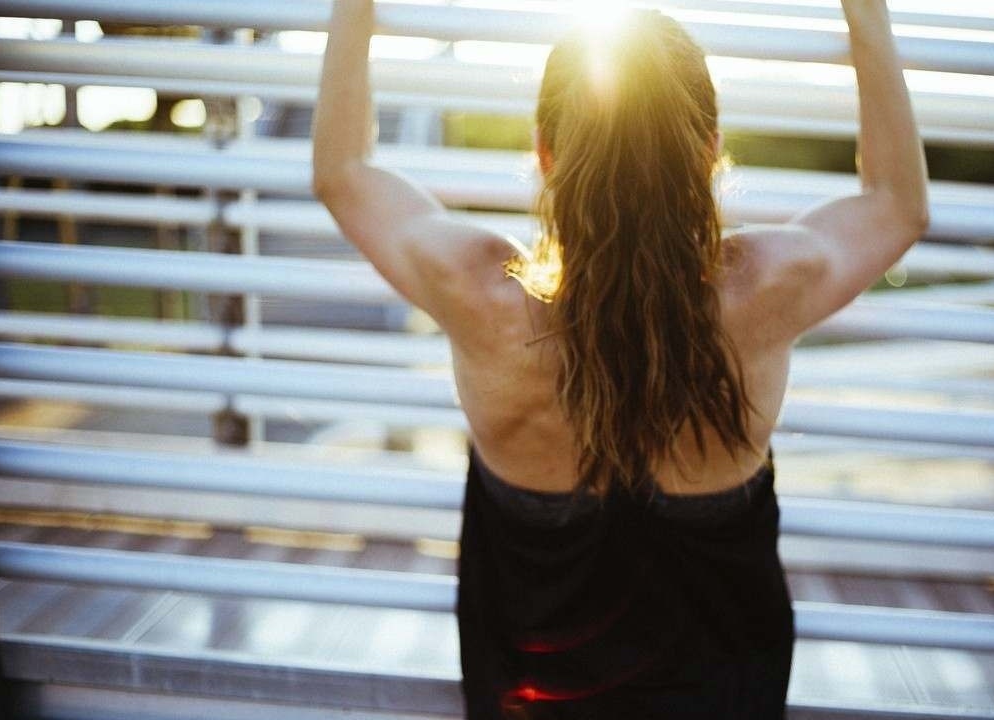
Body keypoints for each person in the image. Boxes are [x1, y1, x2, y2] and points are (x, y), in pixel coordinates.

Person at [313, 0, 927, 716]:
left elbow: (344, 173)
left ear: (544, 150)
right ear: (709, 152)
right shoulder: (765, 289)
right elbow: (896, 204)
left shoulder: (482, 295)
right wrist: (866, 14)